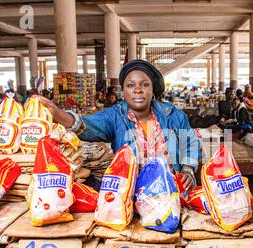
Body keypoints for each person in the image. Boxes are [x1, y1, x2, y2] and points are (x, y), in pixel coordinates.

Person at [36, 59, 201, 192]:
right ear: (123, 90)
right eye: (130, 85)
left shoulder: (172, 114)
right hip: (133, 194)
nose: (138, 90)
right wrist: (57, 113)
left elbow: (190, 143)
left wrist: (187, 169)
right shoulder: (115, 116)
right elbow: (88, 125)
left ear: (152, 89)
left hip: (173, 193)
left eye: (145, 84)